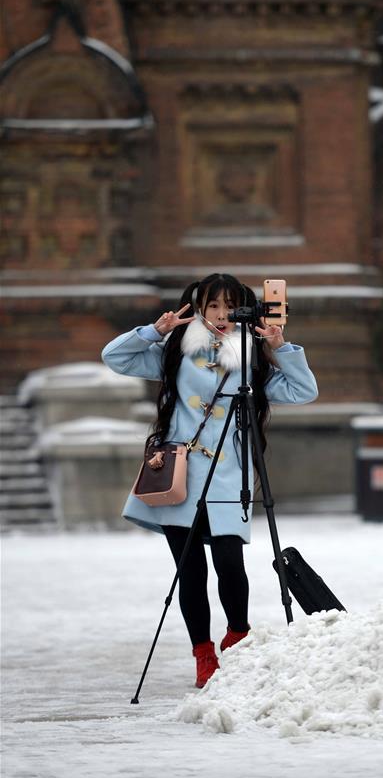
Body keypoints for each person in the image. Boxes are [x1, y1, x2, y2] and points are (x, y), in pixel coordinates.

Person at [101, 274, 318, 688]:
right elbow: (115, 357)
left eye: (228, 305)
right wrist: (154, 331)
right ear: (199, 308)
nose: (220, 315)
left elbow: (304, 390)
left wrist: (280, 348)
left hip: (227, 477)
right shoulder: (176, 351)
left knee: (230, 566)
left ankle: (237, 636)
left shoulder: (251, 358)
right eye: (212, 305)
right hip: (180, 475)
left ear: (242, 308)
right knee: (190, 572)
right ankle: (203, 653)